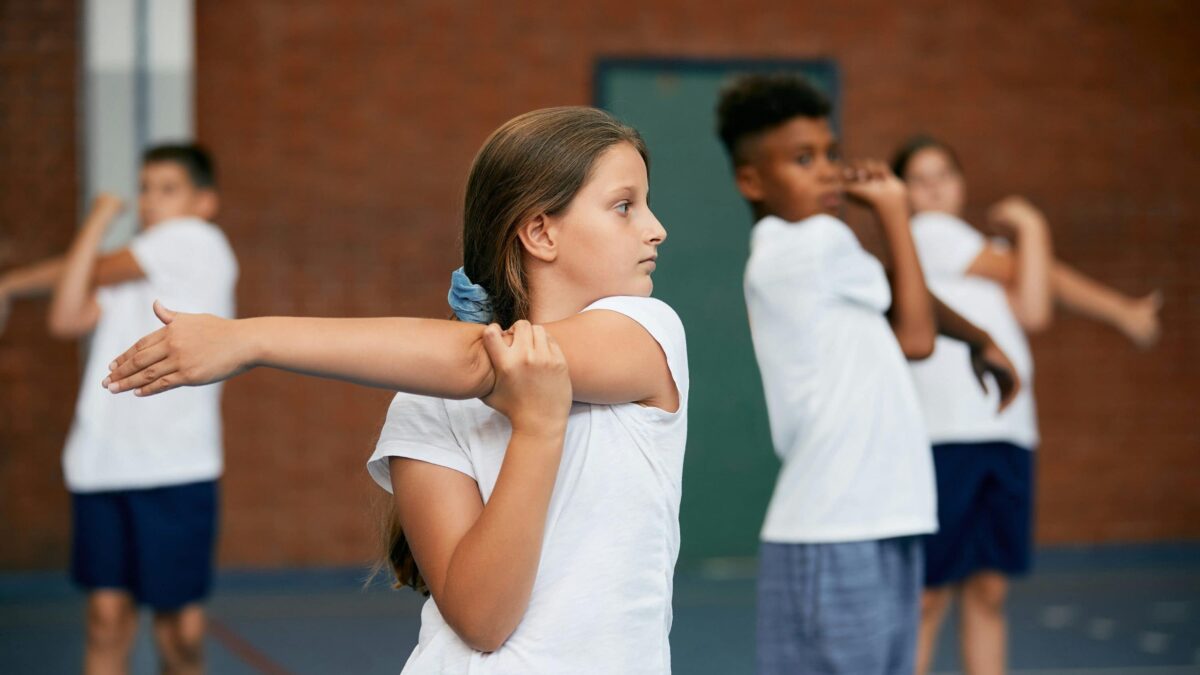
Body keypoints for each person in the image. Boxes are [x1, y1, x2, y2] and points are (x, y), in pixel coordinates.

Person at [102, 107, 689, 674]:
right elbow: (483, 621)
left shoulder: (650, 334)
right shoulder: (424, 402)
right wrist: (537, 431)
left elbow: (481, 360)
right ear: (540, 231)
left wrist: (250, 340)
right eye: (623, 206)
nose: (655, 228)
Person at [715, 73, 1019, 675]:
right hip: (835, 526)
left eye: (831, 153)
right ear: (751, 179)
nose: (829, 170)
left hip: (883, 514)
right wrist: (896, 212)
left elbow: (896, 289)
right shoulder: (805, 245)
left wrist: (980, 338)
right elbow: (915, 337)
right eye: (804, 160)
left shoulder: (827, 252)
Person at [891, 134, 1163, 675]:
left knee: (989, 591)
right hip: (947, 438)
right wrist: (1116, 306)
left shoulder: (974, 252)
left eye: (944, 173)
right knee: (929, 595)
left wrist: (1035, 233)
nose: (935, 187)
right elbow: (1035, 289)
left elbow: (1034, 303)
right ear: (904, 193)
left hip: (1008, 434)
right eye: (920, 178)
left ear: (962, 182)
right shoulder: (927, 235)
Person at [0, 144, 237, 675]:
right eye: (145, 188)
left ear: (205, 202)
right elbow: (65, 317)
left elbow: (96, 269)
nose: (151, 201)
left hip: (176, 466)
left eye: (168, 189)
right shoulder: (135, 270)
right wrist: (98, 220)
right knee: (107, 619)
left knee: (181, 632)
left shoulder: (197, 241)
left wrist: (11, 284)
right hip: (102, 464)